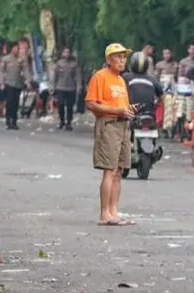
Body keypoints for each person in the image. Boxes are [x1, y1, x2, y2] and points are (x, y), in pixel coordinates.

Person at [85, 43, 135, 226]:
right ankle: (104, 213)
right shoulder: (100, 77)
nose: (122, 60)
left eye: (124, 57)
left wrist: (128, 110)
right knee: (109, 170)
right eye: (118, 56)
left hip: (123, 126)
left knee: (119, 171)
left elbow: (121, 106)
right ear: (108, 59)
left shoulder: (121, 80)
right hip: (109, 125)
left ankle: (114, 211)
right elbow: (91, 104)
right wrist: (117, 111)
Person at [0, 41, 31, 130]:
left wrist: (28, 81)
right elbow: (2, 71)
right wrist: (1, 83)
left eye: (17, 48)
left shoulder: (22, 59)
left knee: (16, 103)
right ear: (11, 49)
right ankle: (8, 120)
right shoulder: (6, 59)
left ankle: (14, 121)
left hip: (18, 83)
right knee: (9, 102)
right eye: (15, 48)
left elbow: (25, 70)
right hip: (9, 83)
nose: (16, 50)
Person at [52, 47, 81, 130]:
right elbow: (55, 76)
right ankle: (62, 121)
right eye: (65, 52)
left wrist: (79, 87)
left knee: (70, 106)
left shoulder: (74, 64)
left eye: (68, 52)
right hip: (60, 87)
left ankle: (68, 123)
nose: (66, 54)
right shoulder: (59, 63)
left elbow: (77, 76)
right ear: (62, 54)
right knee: (60, 105)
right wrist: (53, 87)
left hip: (71, 88)